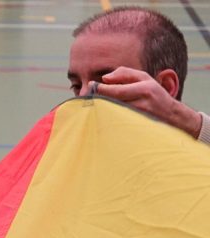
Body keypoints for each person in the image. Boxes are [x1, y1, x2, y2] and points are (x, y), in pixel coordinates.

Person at [68, 6, 210, 146]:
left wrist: (194, 125)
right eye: (76, 86)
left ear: (165, 87)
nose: (82, 98)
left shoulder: (194, 166)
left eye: (104, 84)